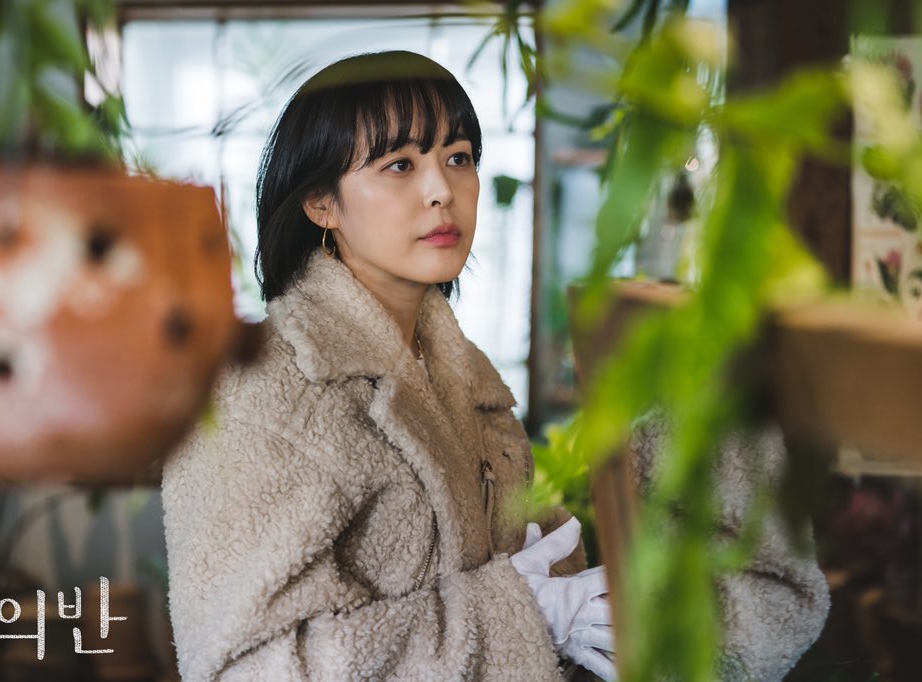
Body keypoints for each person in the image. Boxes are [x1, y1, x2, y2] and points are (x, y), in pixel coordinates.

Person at [161, 51, 828, 681]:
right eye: (399, 164)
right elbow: (243, 667)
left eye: (458, 157)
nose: (441, 191)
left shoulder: (462, 377)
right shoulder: (261, 389)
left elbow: (538, 576)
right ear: (321, 204)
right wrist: (514, 617)